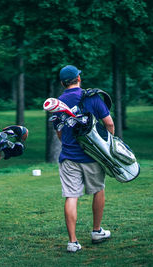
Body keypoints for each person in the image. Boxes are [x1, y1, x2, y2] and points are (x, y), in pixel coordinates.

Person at [54, 65, 115, 252]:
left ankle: (72, 242)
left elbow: (59, 133)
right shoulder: (93, 97)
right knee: (98, 190)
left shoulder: (58, 103)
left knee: (71, 196)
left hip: (69, 157)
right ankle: (96, 231)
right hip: (93, 156)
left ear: (62, 83)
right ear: (79, 78)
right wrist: (108, 147)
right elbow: (109, 123)